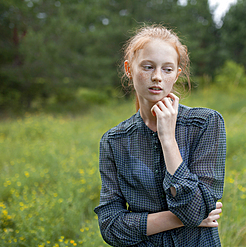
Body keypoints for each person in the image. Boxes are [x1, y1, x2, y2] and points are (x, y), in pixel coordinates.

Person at [94, 24, 226, 246]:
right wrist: (181, 219)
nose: (157, 77)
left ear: (176, 75)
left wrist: (168, 139)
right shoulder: (114, 141)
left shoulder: (205, 124)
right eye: (147, 67)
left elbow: (195, 210)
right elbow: (110, 227)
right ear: (129, 69)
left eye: (167, 69)